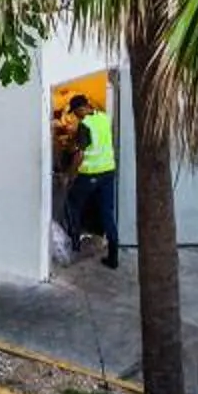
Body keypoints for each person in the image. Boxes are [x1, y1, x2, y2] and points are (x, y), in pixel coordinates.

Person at [68, 91, 120, 270]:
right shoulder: (104, 118)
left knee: (72, 203)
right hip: (108, 172)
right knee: (107, 211)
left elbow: (80, 155)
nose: (75, 116)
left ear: (81, 109)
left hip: (90, 173)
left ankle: (74, 243)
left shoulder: (85, 125)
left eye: (75, 112)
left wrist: (69, 175)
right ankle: (113, 256)